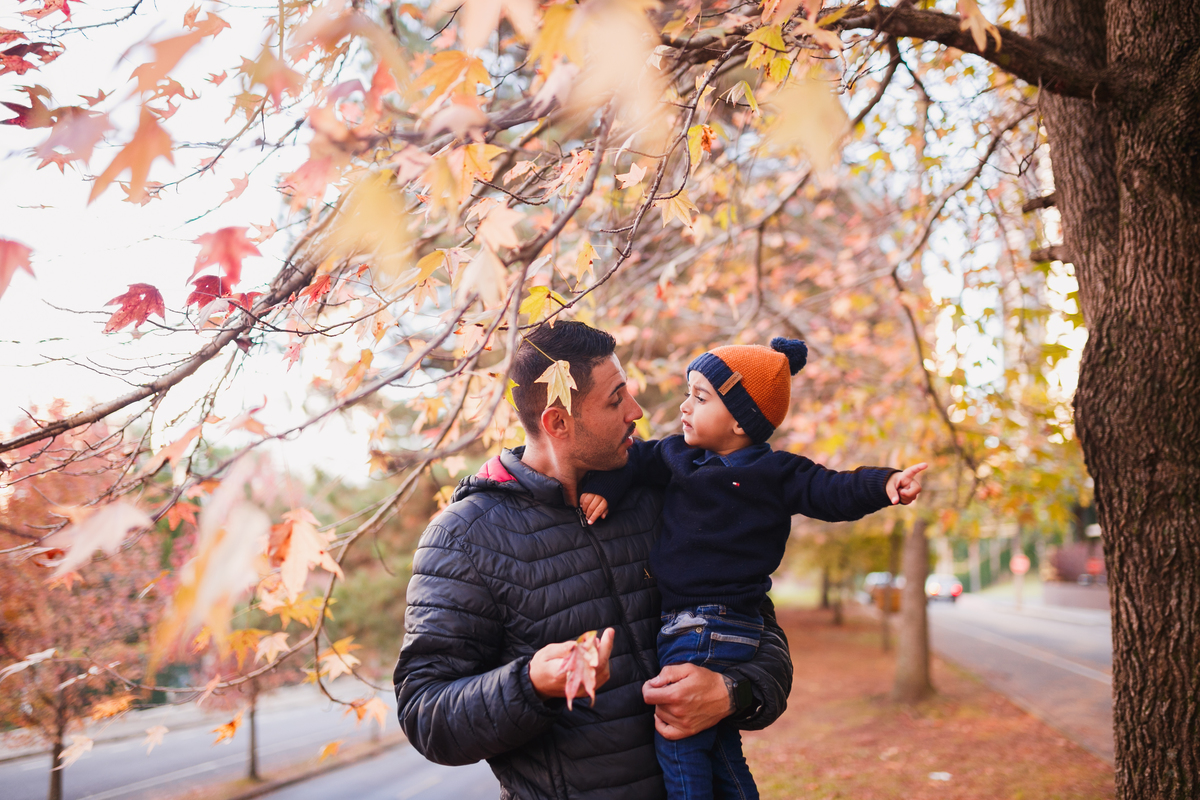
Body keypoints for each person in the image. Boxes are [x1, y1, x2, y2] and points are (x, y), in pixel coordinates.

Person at [393, 321, 794, 800]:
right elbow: (426, 714)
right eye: (616, 399)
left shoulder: (663, 495)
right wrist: (530, 683)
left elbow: (759, 626)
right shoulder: (463, 538)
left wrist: (733, 692)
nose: (637, 412)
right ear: (558, 422)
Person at [579, 337, 926, 800]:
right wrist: (607, 486)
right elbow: (634, 459)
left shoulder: (775, 473)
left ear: (741, 420)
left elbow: (832, 490)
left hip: (710, 623)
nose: (684, 406)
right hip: (705, 627)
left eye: (700, 398)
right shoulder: (679, 457)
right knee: (719, 744)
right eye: (688, 392)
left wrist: (885, 484)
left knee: (677, 738)